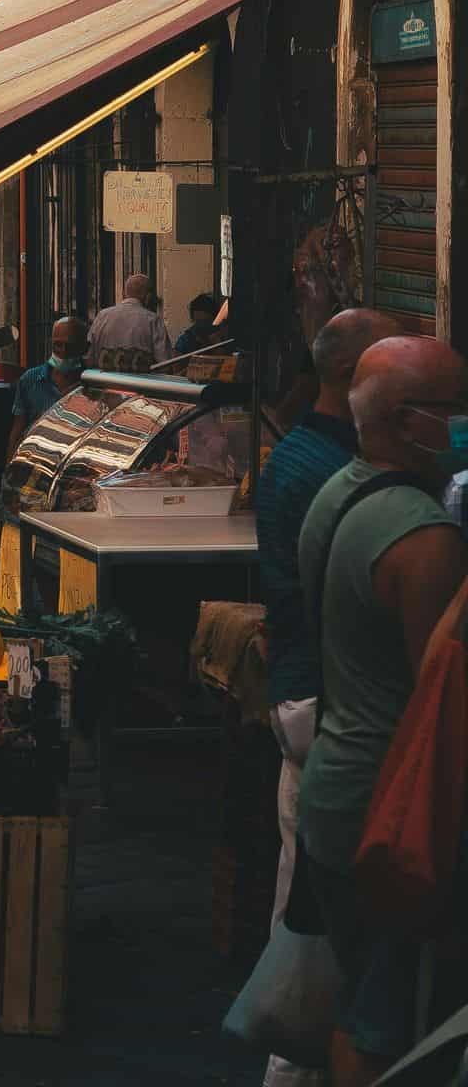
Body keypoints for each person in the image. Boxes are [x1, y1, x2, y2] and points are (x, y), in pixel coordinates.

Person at [294, 336, 468, 1085]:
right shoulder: (424, 538)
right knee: (385, 1019)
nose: (463, 423)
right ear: (404, 420)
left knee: (365, 1000)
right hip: (389, 805)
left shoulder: (340, 493)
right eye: (454, 407)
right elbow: (442, 686)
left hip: (336, 784)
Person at [253, 306, 403, 1080]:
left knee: (308, 901)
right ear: (353, 377)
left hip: (308, 696)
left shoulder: (309, 459)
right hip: (326, 703)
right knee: (322, 918)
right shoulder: (330, 475)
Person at [7, 314, 88, 462]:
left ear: (83, 348)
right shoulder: (29, 380)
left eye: (70, 346)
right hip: (35, 460)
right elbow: (17, 431)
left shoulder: (91, 386)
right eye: (58, 345)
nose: (63, 352)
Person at [86, 272, 173, 368]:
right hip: (139, 377)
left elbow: (90, 355)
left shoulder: (102, 316)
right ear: (148, 296)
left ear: (125, 293)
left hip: (102, 376)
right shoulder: (153, 320)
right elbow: (165, 362)